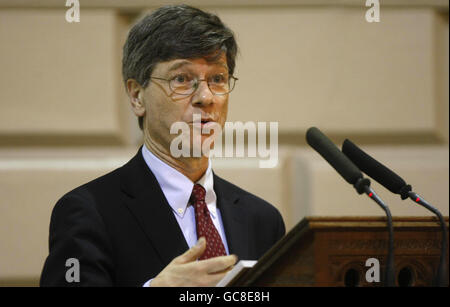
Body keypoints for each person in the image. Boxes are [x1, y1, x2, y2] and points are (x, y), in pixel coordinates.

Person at [40, 4, 285, 287]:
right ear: (136, 96)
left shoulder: (262, 220)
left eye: (217, 79)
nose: (205, 97)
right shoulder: (87, 213)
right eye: (181, 79)